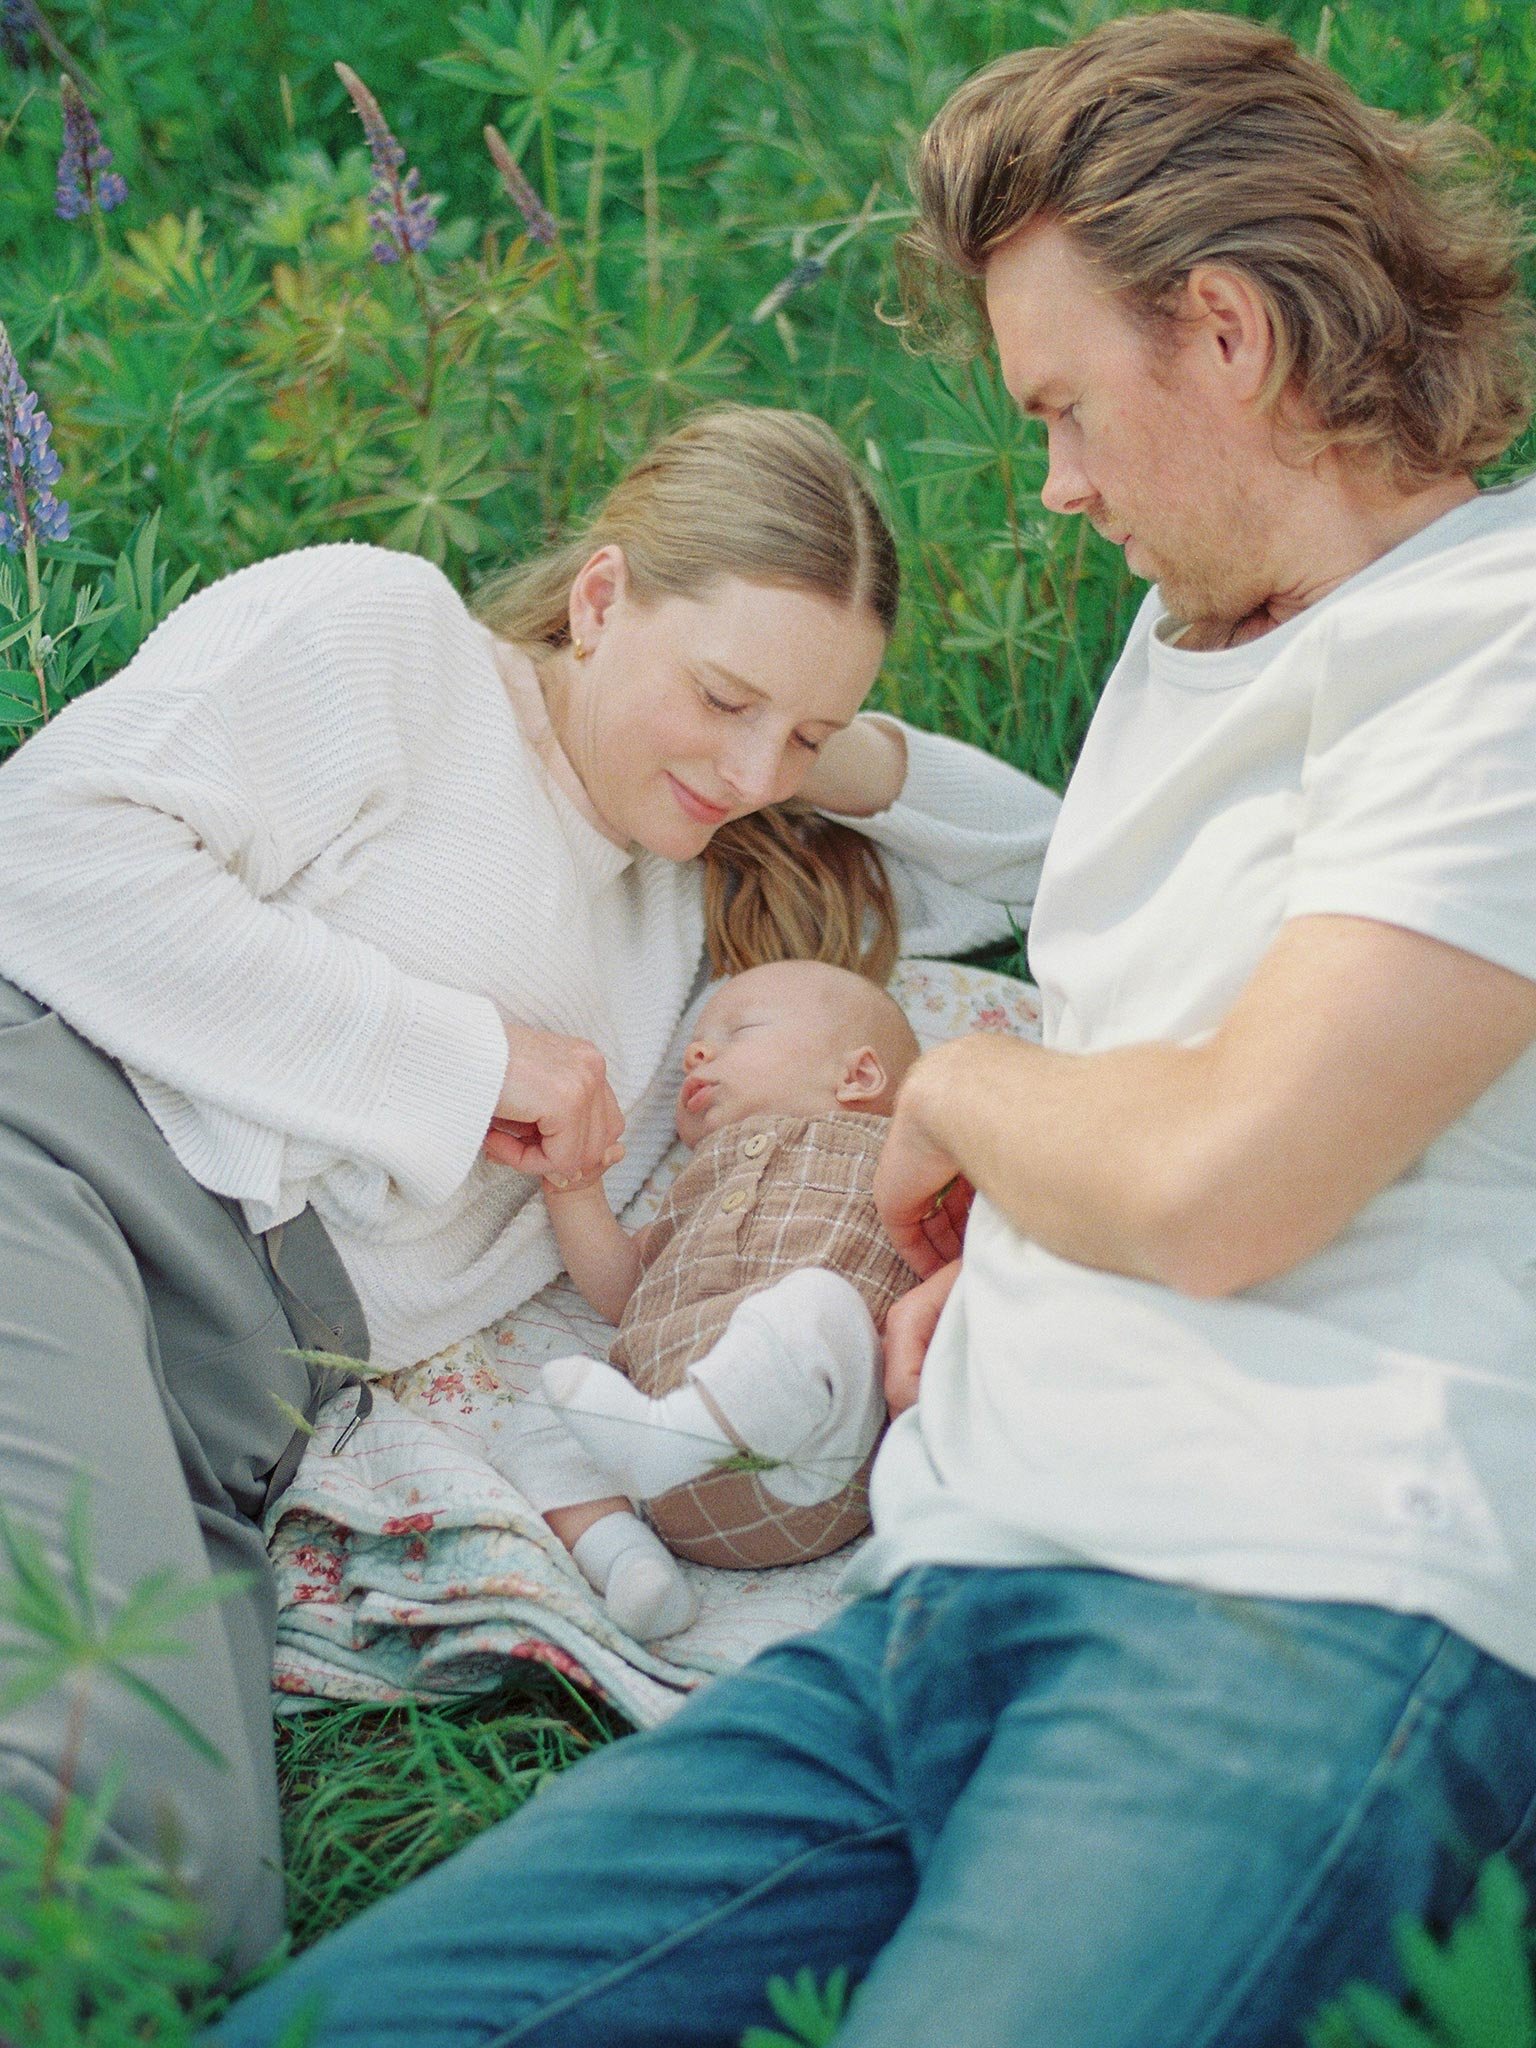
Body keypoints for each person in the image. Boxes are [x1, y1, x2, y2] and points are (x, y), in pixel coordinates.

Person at [207, 12, 1536, 2046]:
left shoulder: (1495, 654)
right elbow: (1167, 1076)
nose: (1060, 483)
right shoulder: (1195, 655)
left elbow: (1217, 1184)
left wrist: (960, 1092)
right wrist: (994, 1243)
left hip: (1287, 1597)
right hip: (930, 1611)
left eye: (1069, 408)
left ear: (1232, 334)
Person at [0, 403, 1061, 1978]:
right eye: (723, 697)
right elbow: (44, 847)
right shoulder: (395, 644)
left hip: (245, 1405)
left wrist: (814, 732)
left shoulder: (693, 898)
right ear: (603, 597)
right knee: (85, 1830)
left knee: (189, 1913)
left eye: (801, 736)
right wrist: (461, 1058)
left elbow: (1040, 853)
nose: (754, 768)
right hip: (75, 1179)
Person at [499, 958, 923, 1642]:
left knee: (820, 1305)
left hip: (818, 1458)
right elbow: (622, 1292)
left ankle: (676, 1440)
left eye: (740, 1031)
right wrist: (575, 1191)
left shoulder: (896, 1154)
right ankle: (630, 1565)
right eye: (699, 1040)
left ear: (857, 1076)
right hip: (674, 1499)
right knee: (543, 1407)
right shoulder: (697, 1182)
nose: (697, 1052)